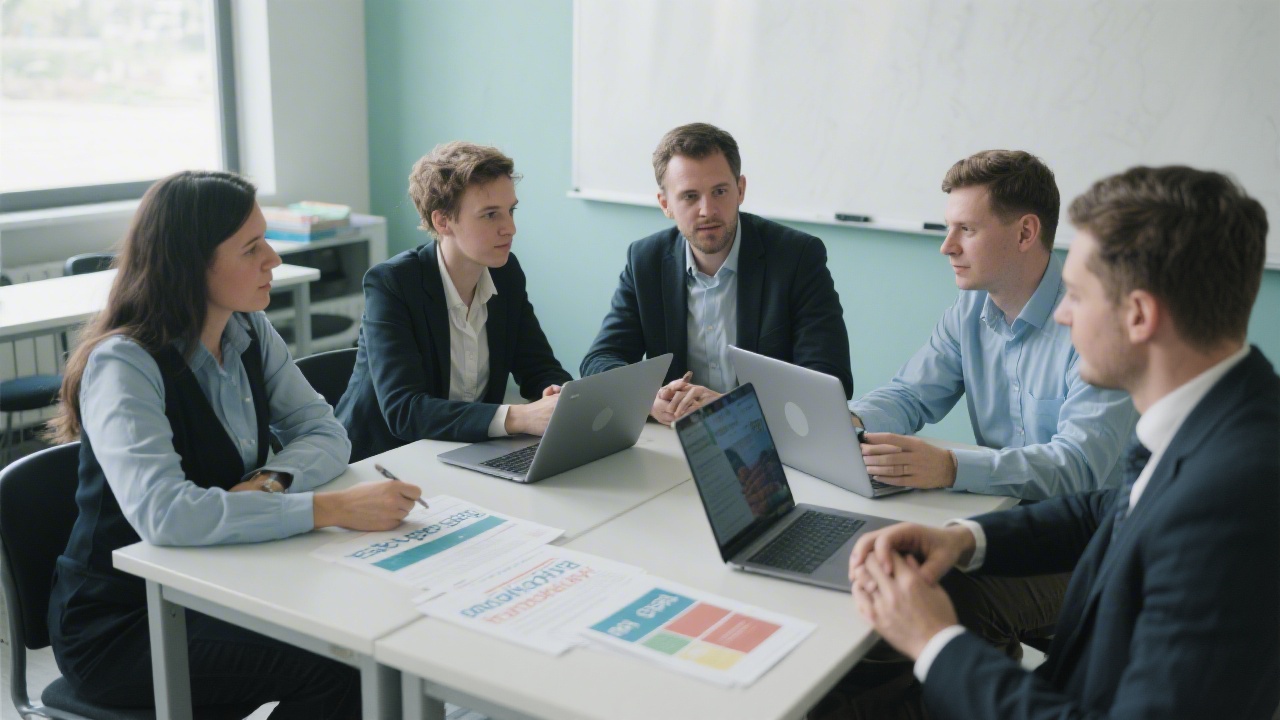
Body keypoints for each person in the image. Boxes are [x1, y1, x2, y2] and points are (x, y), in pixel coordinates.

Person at [844, 166, 1278, 718]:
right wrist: (964, 540)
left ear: (1140, 315)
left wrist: (935, 641)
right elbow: (1107, 508)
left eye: (1075, 294)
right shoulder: (1218, 410)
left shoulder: (1231, 501)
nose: (1064, 314)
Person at [45, 170, 421, 717]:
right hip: (125, 624)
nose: (272, 258)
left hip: (218, 576)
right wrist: (327, 508)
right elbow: (166, 515)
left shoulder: (248, 330)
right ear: (191, 264)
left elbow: (325, 432)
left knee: (362, 636)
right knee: (342, 666)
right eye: (251, 248)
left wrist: (269, 483)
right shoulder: (124, 363)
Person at [848, 150, 1136, 500]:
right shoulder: (969, 308)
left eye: (966, 229)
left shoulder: (1097, 326)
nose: (946, 247)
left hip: (1087, 531)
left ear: (1025, 233)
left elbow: (1079, 464)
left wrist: (951, 467)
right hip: (1001, 513)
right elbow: (911, 394)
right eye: (947, 228)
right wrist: (854, 422)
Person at [580, 122, 852, 424]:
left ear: (741, 190)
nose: (707, 210)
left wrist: (729, 406)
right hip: (679, 438)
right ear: (665, 204)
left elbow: (831, 380)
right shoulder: (646, 260)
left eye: (719, 191)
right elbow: (598, 361)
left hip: (770, 439)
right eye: (689, 196)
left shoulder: (797, 257)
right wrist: (649, 398)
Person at [336, 142, 572, 462]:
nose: (510, 228)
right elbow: (404, 410)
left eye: (510, 210)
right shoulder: (392, 285)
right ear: (443, 222)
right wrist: (519, 417)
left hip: (464, 453)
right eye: (490, 215)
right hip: (382, 461)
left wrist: (557, 396)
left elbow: (539, 368)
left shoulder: (506, 274)